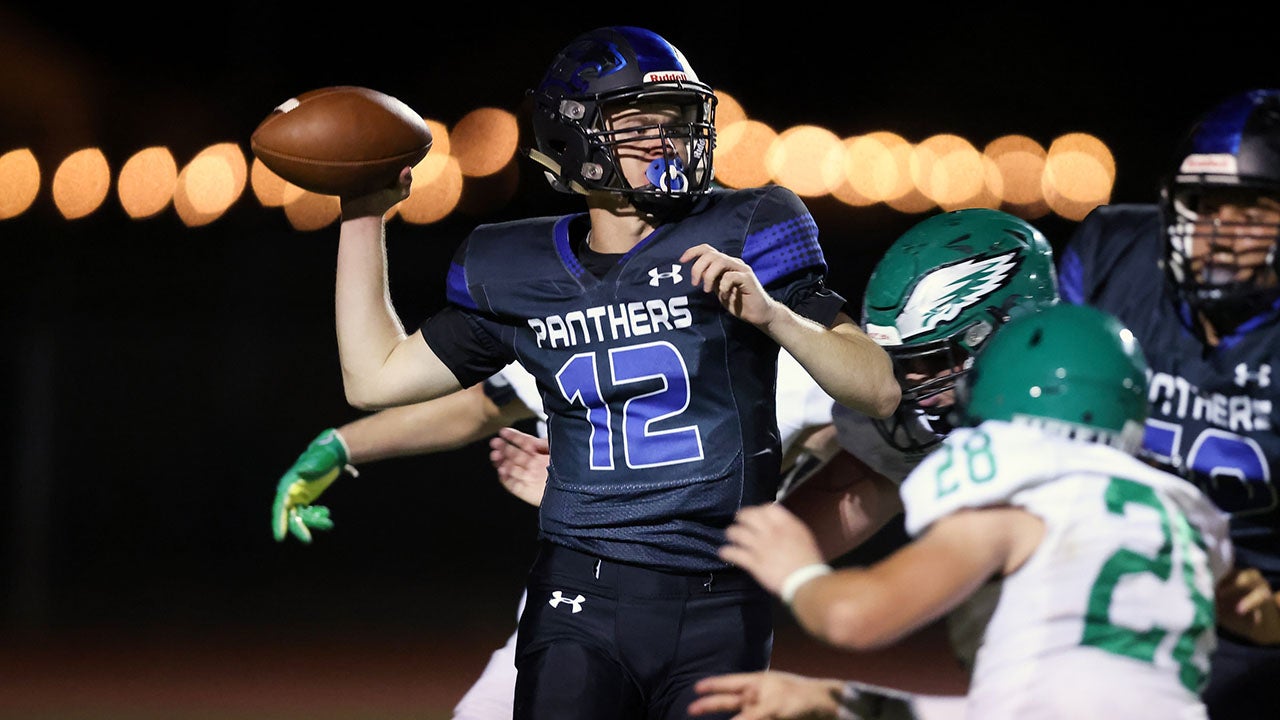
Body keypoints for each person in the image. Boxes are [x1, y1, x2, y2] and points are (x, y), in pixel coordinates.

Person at [317, 25, 899, 719]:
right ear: (575, 136)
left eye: (677, 123)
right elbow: (375, 378)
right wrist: (361, 216)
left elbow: (878, 387)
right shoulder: (517, 267)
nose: (667, 142)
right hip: (580, 597)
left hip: (722, 602)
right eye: (639, 125)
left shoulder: (748, 227)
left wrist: (777, 317)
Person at [497, 207, 1062, 719]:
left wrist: (825, 688)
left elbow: (855, 616)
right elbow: (780, 535)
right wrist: (615, 501)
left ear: (1007, 336)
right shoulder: (913, 424)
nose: (908, 386)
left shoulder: (1054, 468)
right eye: (900, 362)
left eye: (933, 360)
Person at [699, 302, 1234, 719]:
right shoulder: (1177, 516)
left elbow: (852, 617)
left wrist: (797, 572)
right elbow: (1053, 694)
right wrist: (835, 702)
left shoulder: (1018, 511)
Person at [271, 350, 838, 720]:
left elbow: (866, 439)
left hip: (702, 623)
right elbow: (476, 407)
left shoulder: (782, 350)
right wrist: (343, 445)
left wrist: (587, 496)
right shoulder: (584, 313)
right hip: (577, 612)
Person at [1058, 87, 1280, 718]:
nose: (1219, 235)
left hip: (1252, 613)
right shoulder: (1117, 257)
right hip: (1114, 580)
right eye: (1205, 206)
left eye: (1251, 210)